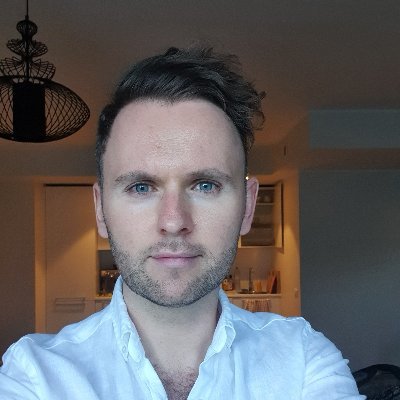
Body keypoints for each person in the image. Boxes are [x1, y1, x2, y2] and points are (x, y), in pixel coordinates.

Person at [0, 46, 364, 399]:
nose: (173, 221)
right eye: (141, 187)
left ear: (248, 207)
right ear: (100, 210)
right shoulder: (33, 376)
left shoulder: (303, 360)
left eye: (205, 185)